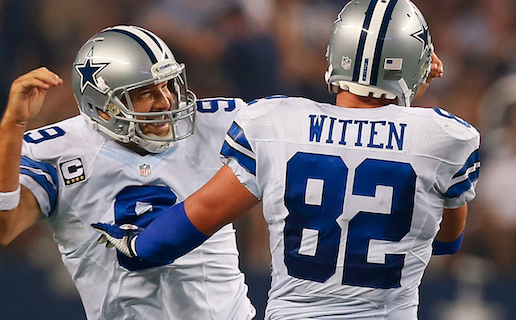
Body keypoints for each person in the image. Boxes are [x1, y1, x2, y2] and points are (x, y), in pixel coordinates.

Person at [93, 1, 480, 319]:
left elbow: (199, 216)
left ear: (335, 55)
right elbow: (445, 242)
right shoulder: (445, 138)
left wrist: (136, 247)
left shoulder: (276, 123)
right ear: (416, 64)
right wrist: (417, 90)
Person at [0, 25, 255, 320]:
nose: (166, 101)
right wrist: (13, 127)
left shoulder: (216, 123)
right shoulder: (58, 151)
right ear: (104, 107)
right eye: (146, 93)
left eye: (168, 85)